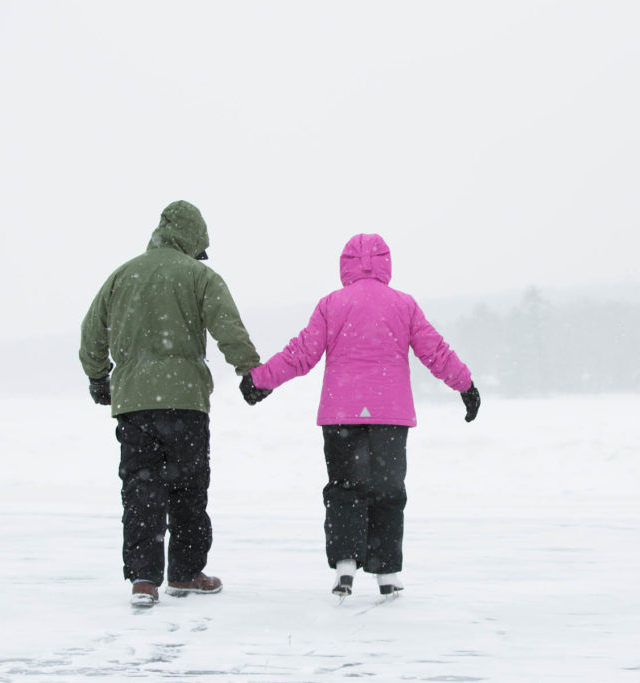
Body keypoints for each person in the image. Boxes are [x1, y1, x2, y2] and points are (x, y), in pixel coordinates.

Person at [245, 233, 480, 597]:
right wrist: (465, 386)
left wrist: (261, 381)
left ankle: (345, 565)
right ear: (386, 264)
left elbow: (301, 353)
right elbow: (435, 351)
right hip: (391, 414)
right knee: (388, 490)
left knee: (344, 488)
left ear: (345, 264)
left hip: (342, 413)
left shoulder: (332, 305)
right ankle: (386, 571)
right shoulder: (404, 305)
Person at [79, 200, 271, 608]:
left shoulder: (122, 275)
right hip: (184, 402)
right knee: (188, 488)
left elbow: (91, 330)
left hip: (133, 403)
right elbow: (227, 326)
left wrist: (98, 375)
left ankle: (144, 580)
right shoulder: (199, 275)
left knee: (140, 488)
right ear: (194, 239)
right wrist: (249, 372)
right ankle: (185, 572)